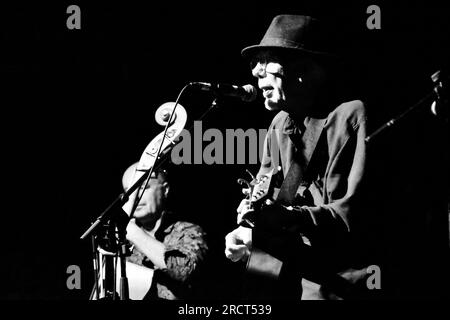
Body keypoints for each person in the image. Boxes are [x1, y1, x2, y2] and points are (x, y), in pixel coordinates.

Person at [225, 15, 372, 300]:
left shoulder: (350, 115)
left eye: (267, 61)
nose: (256, 72)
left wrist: (291, 217)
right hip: (287, 281)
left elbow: (355, 214)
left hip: (339, 284)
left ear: (303, 70)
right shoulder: (279, 124)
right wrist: (245, 229)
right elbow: (268, 195)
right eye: (255, 64)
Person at [122, 163, 208, 300]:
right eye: (130, 191)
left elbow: (185, 269)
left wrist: (134, 233)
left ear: (165, 189)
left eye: (144, 187)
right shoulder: (121, 241)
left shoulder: (187, 231)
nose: (135, 196)